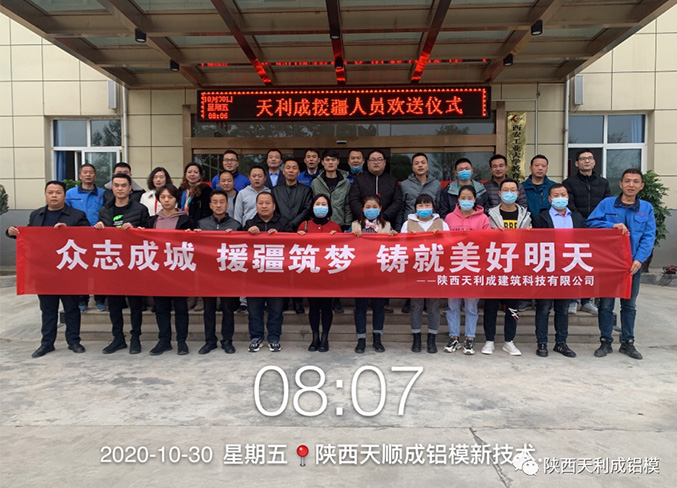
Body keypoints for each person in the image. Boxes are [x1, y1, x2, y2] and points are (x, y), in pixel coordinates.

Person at [6, 181, 90, 358]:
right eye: (50, 192)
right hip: (44, 271)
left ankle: (74, 341)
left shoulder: (77, 215)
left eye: (58, 192)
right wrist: (13, 233)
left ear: (64, 196)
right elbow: (29, 237)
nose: (54, 196)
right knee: (48, 309)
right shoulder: (37, 215)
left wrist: (68, 231)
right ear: (45, 195)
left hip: (68, 270)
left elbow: (88, 237)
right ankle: (47, 343)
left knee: (71, 308)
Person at [587, 168, 656, 360]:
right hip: (609, 264)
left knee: (629, 305)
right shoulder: (607, 204)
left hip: (632, 266)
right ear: (621, 184)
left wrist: (639, 260)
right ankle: (605, 341)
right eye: (627, 181)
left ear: (641, 186)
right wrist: (611, 226)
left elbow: (649, 236)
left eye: (635, 181)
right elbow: (591, 223)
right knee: (606, 305)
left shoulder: (646, 208)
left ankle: (628, 342)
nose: (631, 185)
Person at [95, 172, 150, 354]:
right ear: (112, 188)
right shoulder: (105, 210)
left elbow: (150, 234)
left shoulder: (140, 209)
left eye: (123, 185)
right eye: (116, 185)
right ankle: (118, 338)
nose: (120, 189)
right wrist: (98, 230)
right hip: (112, 264)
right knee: (114, 304)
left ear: (130, 188)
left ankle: (135, 338)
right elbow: (99, 239)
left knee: (135, 304)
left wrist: (137, 231)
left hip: (133, 263)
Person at [531, 184, 585, 358]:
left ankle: (561, 343)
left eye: (563, 194)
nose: (560, 198)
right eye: (556, 195)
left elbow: (586, 240)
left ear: (568, 197)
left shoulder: (577, 218)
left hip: (568, 269)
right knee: (544, 308)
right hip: (547, 269)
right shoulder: (541, 218)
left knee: (563, 309)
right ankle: (542, 343)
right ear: (549, 199)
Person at [482, 178, 532, 356]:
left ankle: (509, 341)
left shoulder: (526, 216)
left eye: (512, 190)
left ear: (517, 194)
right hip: (494, 265)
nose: (509, 193)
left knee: (512, 306)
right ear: (499, 193)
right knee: (491, 306)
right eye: (505, 190)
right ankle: (489, 340)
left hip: (515, 267)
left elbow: (531, 241)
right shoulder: (490, 215)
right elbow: (482, 239)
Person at [563, 148, 612, 315]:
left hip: (597, 231)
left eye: (589, 158)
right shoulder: (569, 183)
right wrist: (582, 224)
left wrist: (597, 224)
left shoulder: (603, 183)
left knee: (591, 266)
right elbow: (570, 206)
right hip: (577, 229)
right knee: (574, 264)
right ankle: (572, 300)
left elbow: (607, 205)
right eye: (583, 159)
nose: (587, 161)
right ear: (577, 163)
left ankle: (587, 300)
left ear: (594, 162)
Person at [443, 185, 491, 355]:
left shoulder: (483, 218)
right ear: (458, 199)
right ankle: (454, 336)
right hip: (453, 267)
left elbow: (487, 242)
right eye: (463, 198)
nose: (466, 201)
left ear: (475, 200)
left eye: (469, 198)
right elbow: (443, 241)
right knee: (452, 304)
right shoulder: (449, 218)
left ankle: (470, 338)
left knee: (471, 306)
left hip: (474, 267)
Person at [147, 184, 194, 355]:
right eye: (163, 197)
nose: (167, 200)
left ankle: (182, 341)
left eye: (170, 197)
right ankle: (164, 340)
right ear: (159, 199)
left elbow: (194, 245)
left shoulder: (186, 220)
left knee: (181, 308)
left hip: (179, 270)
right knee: (161, 308)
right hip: (159, 270)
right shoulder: (152, 221)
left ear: (176, 199)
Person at [400, 194, 449, 353]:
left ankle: (431, 338)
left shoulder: (442, 223)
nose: (424, 208)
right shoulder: (408, 224)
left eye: (427, 205)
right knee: (416, 305)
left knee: (434, 305)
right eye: (420, 206)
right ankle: (416, 337)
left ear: (433, 207)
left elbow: (451, 246)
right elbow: (400, 247)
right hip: (415, 270)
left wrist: (441, 237)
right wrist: (409, 239)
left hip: (435, 269)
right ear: (415, 208)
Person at [196, 190, 242, 354]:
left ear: (227, 205)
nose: (218, 205)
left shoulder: (236, 225)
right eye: (215, 202)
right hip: (208, 274)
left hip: (227, 274)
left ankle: (227, 340)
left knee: (228, 309)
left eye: (222, 202)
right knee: (209, 309)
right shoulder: (202, 224)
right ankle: (210, 341)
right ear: (210, 205)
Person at [351, 195, 397, 354]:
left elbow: (394, 248)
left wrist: (393, 236)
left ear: (380, 209)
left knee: (379, 307)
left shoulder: (387, 225)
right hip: (360, 272)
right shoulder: (355, 225)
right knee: (360, 307)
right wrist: (351, 235)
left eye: (375, 207)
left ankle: (377, 338)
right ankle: (361, 339)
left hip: (379, 273)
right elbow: (346, 246)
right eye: (368, 207)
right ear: (363, 209)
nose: (371, 210)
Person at [245, 192, 291, 353]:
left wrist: (280, 237)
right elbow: (240, 248)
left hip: (276, 275)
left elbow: (293, 246)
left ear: (274, 206)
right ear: (256, 205)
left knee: (276, 310)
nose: (264, 206)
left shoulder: (283, 223)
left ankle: (274, 338)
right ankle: (256, 337)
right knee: (254, 310)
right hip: (254, 276)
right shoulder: (249, 223)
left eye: (267, 203)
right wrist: (248, 233)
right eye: (260, 203)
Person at [297, 194, 342, 352]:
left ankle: (325, 338)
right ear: (312, 206)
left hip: (328, 275)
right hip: (311, 274)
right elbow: (296, 250)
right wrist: (299, 238)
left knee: (327, 307)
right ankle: (314, 337)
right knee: (313, 307)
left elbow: (342, 250)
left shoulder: (335, 227)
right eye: (318, 204)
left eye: (324, 204)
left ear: (329, 208)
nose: (320, 207)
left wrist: (337, 238)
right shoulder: (304, 225)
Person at [312, 148, 352, 314]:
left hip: (339, 227)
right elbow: (313, 204)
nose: (330, 162)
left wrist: (346, 226)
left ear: (337, 162)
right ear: (322, 162)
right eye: (327, 160)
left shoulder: (346, 182)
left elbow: (348, 205)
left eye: (333, 160)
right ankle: (320, 295)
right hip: (320, 227)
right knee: (321, 263)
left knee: (336, 264)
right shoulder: (316, 182)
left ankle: (336, 299)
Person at [272, 158, 313, 314]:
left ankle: (297, 301)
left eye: (294, 168)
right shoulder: (275, 191)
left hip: (299, 233)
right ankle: (283, 301)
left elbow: (307, 209)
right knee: (282, 268)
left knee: (297, 268)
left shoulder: (306, 190)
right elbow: (274, 210)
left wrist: (293, 224)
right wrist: (284, 225)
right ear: (283, 171)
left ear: (298, 172)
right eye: (288, 168)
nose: (291, 170)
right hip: (281, 234)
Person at [65, 163, 106, 312]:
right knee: (81, 269)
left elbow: (106, 213)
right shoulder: (70, 194)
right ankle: (82, 300)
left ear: (95, 175)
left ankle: (100, 299)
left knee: (99, 269)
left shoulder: (103, 193)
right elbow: (66, 213)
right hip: (77, 238)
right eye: (85, 172)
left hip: (98, 237)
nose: (88, 175)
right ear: (80, 175)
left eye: (91, 172)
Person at [349, 149, 403, 230]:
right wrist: (364, 216)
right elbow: (354, 200)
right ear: (368, 163)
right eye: (373, 160)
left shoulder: (392, 181)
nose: (376, 162)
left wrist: (383, 216)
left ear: (384, 162)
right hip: (362, 224)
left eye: (379, 159)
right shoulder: (359, 180)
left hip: (386, 224)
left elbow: (397, 201)